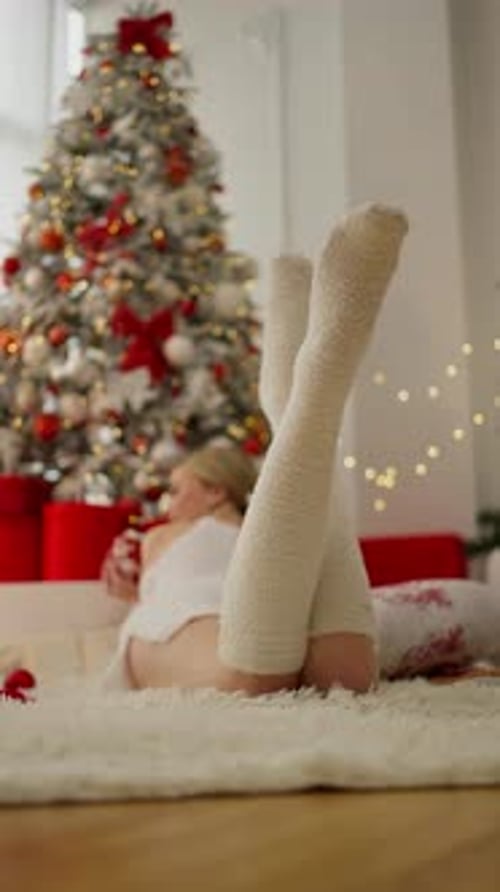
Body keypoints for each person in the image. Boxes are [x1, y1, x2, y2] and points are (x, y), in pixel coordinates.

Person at [103, 204, 500, 695]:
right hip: (185, 617)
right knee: (285, 678)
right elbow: (127, 581)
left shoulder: (210, 528)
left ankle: (301, 394)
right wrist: (125, 571)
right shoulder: (161, 538)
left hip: (275, 608)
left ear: (214, 490)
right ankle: (306, 390)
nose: (168, 501)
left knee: (316, 675)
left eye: (178, 487)